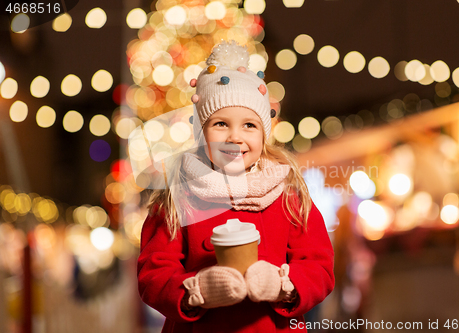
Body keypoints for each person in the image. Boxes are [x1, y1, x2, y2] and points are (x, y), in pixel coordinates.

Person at [137, 40, 334, 333]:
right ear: (201, 132)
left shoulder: (287, 196)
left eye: (249, 125)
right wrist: (196, 290)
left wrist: (283, 284)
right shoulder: (178, 197)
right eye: (220, 124)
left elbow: (319, 265)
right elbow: (154, 271)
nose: (234, 137)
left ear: (264, 133)